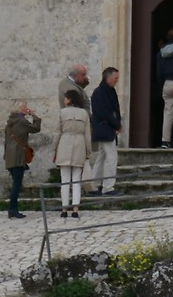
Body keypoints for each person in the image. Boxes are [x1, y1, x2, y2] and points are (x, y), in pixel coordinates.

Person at [52, 89, 92, 217]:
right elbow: (87, 135)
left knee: (64, 180)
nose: (64, 100)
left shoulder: (62, 113)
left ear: (69, 99)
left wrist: (54, 149)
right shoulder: (84, 114)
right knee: (76, 180)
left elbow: (57, 132)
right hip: (79, 144)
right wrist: (88, 151)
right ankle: (75, 209)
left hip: (64, 143)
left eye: (65, 98)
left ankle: (64, 209)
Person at [2, 101, 41, 219]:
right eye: (25, 107)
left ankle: (13, 209)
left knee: (16, 183)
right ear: (20, 110)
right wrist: (34, 115)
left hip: (9, 156)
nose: (27, 109)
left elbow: (6, 141)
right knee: (17, 185)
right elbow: (36, 128)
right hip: (18, 156)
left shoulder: (9, 123)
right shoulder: (22, 121)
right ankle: (12, 209)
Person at [89, 67, 122, 196]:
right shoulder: (99, 93)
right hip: (104, 128)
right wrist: (116, 124)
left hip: (108, 128)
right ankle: (108, 187)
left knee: (102, 157)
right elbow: (103, 113)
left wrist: (117, 123)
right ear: (107, 78)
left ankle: (93, 186)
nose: (117, 81)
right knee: (112, 157)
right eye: (115, 78)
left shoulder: (109, 91)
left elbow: (115, 110)